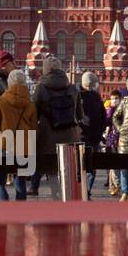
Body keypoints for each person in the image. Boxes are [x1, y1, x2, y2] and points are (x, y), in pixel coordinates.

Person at [31, 56, 83, 196]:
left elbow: (33, 113)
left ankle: (56, 196)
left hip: (48, 136)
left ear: (45, 70)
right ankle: (69, 195)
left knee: (52, 168)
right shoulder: (72, 87)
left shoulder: (40, 88)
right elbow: (80, 115)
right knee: (68, 168)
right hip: (70, 135)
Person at [0, 69, 37, 200]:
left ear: (9, 83)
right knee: (20, 181)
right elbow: (33, 129)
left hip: (2, 147)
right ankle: (19, 213)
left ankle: (6, 207)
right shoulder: (30, 104)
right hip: (23, 148)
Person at [77, 71, 106, 197]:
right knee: (91, 167)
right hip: (92, 137)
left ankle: (82, 191)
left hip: (81, 136)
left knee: (81, 166)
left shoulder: (77, 96)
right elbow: (103, 118)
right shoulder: (97, 98)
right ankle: (86, 191)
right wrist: (100, 131)